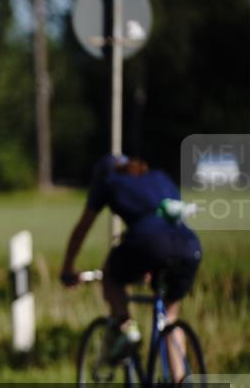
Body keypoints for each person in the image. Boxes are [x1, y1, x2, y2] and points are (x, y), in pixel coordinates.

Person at [60, 154, 202, 370]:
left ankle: (126, 328)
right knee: (170, 316)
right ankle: (181, 385)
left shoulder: (107, 180)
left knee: (110, 275)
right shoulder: (160, 177)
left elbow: (82, 229)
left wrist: (68, 266)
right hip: (189, 245)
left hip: (149, 243)